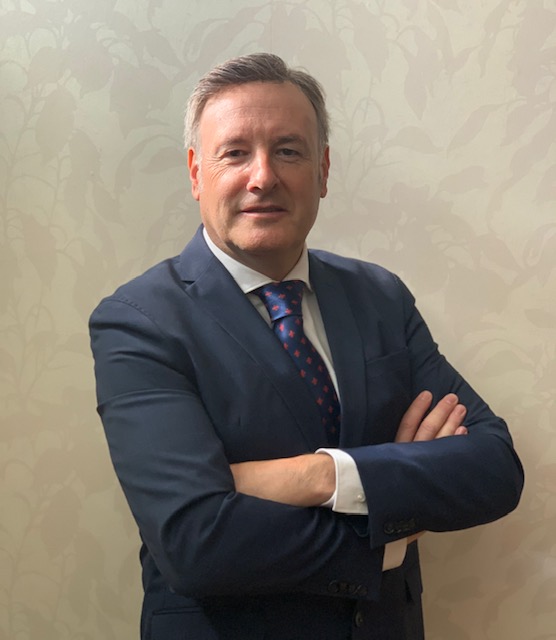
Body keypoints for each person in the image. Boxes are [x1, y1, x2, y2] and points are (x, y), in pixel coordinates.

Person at [89, 53, 524, 640]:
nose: (263, 176)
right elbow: (194, 541)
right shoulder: (139, 320)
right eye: (235, 153)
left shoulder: (380, 296)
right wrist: (389, 529)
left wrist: (321, 475)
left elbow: (495, 467)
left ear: (323, 171)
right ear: (196, 173)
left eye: (289, 151)